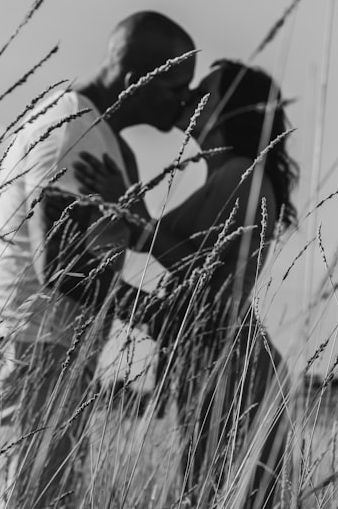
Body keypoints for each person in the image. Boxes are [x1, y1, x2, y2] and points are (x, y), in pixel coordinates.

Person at [0, 11, 195, 509]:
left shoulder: (106, 138)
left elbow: (128, 235)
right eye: (176, 87)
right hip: (28, 345)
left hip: (52, 350)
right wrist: (160, 318)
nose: (182, 104)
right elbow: (61, 262)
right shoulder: (75, 128)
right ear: (138, 81)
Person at [72, 59, 298, 509]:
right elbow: (158, 240)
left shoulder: (241, 173)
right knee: (212, 493)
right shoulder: (225, 172)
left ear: (229, 107)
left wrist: (129, 217)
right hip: (214, 354)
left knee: (223, 493)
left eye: (203, 91)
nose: (190, 95)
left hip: (232, 360)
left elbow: (203, 267)